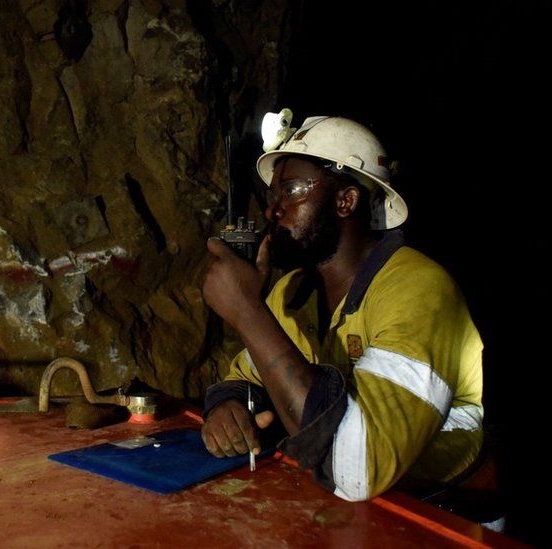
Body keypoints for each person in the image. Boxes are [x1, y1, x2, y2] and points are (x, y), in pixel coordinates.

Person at [200, 114, 485, 503]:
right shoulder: (293, 292)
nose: (273, 210)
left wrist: (248, 312)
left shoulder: (420, 292)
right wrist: (230, 406)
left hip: (443, 511)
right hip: (346, 504)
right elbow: (248, 376)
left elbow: (357, 466)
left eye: (292, 189)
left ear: (346, 201)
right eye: (273, 196)